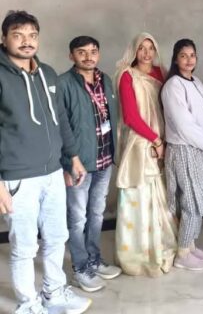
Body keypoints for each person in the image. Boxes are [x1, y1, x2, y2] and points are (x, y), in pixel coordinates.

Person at [0, 11, 91, 314]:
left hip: (53, 173)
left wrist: (73, 158)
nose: (26, 41)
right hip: (18, 177)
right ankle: (28, 304)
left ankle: (54, 293)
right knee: (25, 246)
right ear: (4, 39)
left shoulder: (47, 73)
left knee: (56, 237)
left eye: (32, 35)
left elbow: (60, 120)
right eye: (18, 35)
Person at [59, 36, 122, 292]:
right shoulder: (63, 84)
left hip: (104, 159)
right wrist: (66, 163)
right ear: (71, 56)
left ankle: (94, 259)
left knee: (96, 214)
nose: (88, 57)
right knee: (77, 218)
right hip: (79, 164)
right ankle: (80, 268)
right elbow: (60, 127)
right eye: (81, 52)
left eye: (93, 51)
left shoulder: (105, 80)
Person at [114, 32, 177, 276]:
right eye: (142, 48)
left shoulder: (161, 74)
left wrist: (165, 140)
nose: (147, 53)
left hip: (163, 140)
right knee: (140, 195)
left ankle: (163, 244)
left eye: (151, 48)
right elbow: (131, 117)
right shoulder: (127, 76)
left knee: (162, 194)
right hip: (140, 144)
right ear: (134, 50)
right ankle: (139, 252)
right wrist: (155, 140)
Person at [161, 39, 203, 271]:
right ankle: (182, 253)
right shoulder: (173, 86)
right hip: (185, 150)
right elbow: (184, 125)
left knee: (199, 199)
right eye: (183, 55)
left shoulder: (197, 82)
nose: (189, 60)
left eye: (192, 55)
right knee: (190, 202)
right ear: (175, 59)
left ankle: (191, 245)